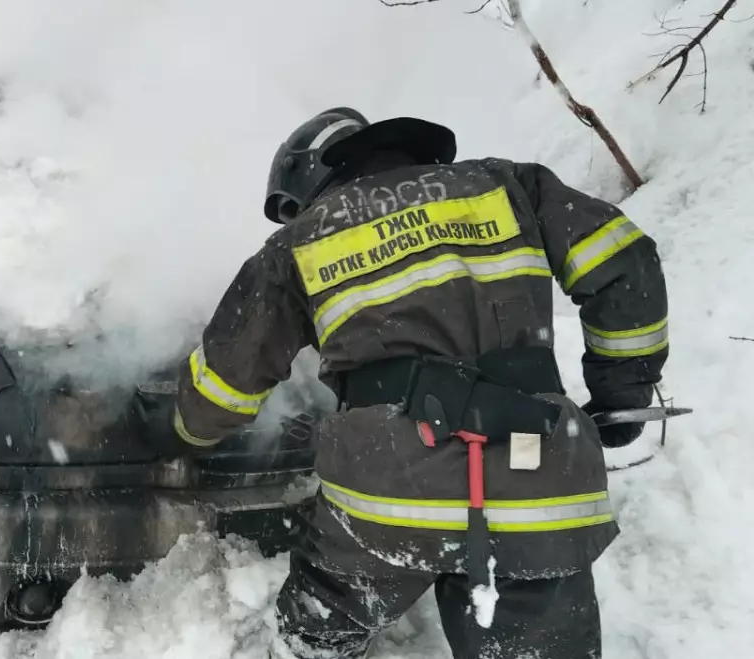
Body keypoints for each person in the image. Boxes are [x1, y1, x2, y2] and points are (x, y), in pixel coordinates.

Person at [150, 107, 669, 658]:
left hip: (389, 491)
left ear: (306, 182)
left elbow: (224, 383)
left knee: (321, 626)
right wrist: (622, 393)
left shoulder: (299, 242)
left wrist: (183, 434)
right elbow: (624, 262)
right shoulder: (506, 185)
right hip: (534, 474)